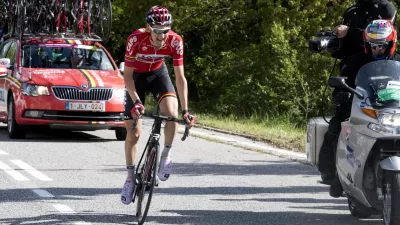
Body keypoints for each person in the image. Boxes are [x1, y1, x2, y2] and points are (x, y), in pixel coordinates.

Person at [120, 5, 196, 205]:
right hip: (135, 78)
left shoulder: (176, 41)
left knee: (172, 114)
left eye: (165, 30)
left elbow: (180, 78)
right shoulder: (136, 39)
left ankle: (165, 155)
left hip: (157, 74)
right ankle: (129, 178)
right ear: (148, 28)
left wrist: (186, 111)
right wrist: (136, 101)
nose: (162, 36)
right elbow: (126, 76)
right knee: (134, 134)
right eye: (157, 31)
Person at [318, 0, 398, 184]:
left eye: (381, 45)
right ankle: (331, 172)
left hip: (390, 95)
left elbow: (385, 29)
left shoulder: (386, 8)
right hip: (357, 77)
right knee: (337, 123)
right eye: (374, 45)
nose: (377, 48)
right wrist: (333, 44)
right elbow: (343, 48)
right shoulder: (351, 11)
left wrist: (351, 32)